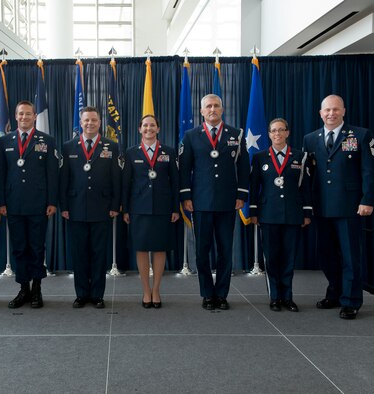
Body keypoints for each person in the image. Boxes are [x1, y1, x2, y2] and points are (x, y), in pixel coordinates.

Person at [303, 94, 374, 320]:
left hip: (349, 207)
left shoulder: (361, 135)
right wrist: (307, 205)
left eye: (336, 109)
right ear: (320, 113)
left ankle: (351, 301)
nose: (331, 114)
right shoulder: (310, 138)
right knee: (326, 255)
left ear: (344, 111)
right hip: (321, 207)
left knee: (350, 256)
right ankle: (334, 293)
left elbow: (369, 171)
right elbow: (308, 176)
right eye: (327, 110)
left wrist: (367, 199)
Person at [179, 94, 250, 311]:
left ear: (222, 109)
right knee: (202, 250)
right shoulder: (191, 136)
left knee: (225, 250)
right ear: (201, 111)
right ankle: (207, 293)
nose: (212, 109)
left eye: (216, 106)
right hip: (200, 203)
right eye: (208, 106)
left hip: (228, 202)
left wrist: (241, 195)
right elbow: (184, 169)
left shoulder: (236, 135)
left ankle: (222, 293)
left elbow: (244, 167)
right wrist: (186, 196)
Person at [0, 101, 58, 309]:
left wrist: (51, 201)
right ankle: (23, 288)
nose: (24, 117)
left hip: (38, 204)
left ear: (34, 116)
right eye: (21, 114)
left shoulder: (46, 140)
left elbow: (52, 173)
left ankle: (37, 289)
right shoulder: (5, 141)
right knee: (19, 248)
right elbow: (1, 174)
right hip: (13, 204)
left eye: (28, 114)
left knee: (36, 248)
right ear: (15, 116)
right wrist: (2, 202)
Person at [59, 106, 121, 309]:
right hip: (75, 208)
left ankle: (97, 294)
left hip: (102, 208)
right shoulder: (68, 147)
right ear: (81, 122)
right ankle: (81, 294)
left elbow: (116, 179)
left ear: (100, 122)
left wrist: (114, 205)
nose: (90, 123)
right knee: (79, 253)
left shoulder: (111, 146)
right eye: (86, 120)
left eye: (94, 120)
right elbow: (64, 179)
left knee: (98, 253)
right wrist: (64, 206)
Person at [250, 118, 312, 312]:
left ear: (287, 132)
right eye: (273, 131)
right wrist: (253, 212)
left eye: (281, 130)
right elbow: (254, 187)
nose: (277, 134)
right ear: (269, 134)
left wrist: (306, 212)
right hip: (268, 215)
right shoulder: (260, 157)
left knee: (289, 257)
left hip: (293, 214)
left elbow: (306, 188)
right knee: (272, 257)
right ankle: (275, 297)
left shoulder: (300, 157)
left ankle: (288, 297)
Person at [122, 115, 180, 309]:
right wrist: (126, 209)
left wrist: (175, 208)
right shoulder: (131, 153)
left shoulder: (169, 152)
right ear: (139, 129)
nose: (149, 128)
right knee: (141, 248)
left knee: (159, 248)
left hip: (163, 208)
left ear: (158, 128)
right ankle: (145, 290)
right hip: (139, 208)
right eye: (145, 125)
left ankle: (156, 290)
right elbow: (126, 184)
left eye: (152, 125)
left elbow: (175, 182)